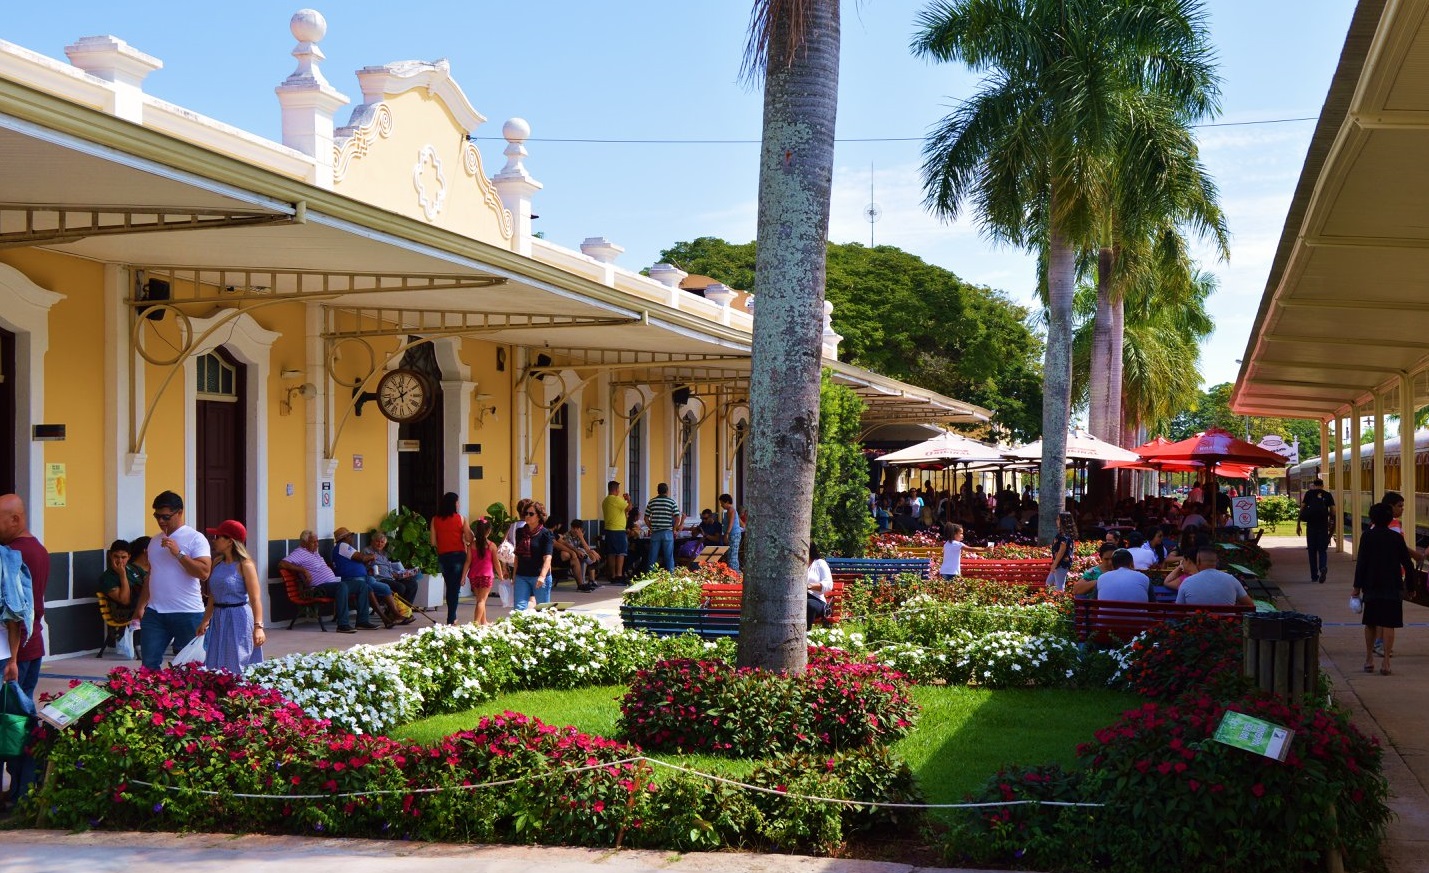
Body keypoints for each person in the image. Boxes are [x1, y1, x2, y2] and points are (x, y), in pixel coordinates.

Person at [133, 491, 211, 669]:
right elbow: (151, 575)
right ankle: (153, 697)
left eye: (166, 517)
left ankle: (186, 697)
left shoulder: (196, 538)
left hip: (188, 612)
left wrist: (178, 553)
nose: (161, 521)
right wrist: (140, 606)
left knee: (191, 666)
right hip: (155, 613)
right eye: (157, 516)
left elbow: (204, 573)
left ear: (180, 513)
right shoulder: (154, 541)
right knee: (149, 664)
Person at [0, 493, 43, 806]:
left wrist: (12, 659)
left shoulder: (12, 554)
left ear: (15, 519)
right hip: (31, 648)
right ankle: (21, 790)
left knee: (12, 725)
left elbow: (15, 611)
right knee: (17, 722)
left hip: (15, 654)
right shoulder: (35, 547)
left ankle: (21, 791)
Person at [196, 519, 265, 674]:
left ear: (230, 542)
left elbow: (255, 599)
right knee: (215, 659)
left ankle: (238, 693)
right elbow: (213, 595)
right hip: (219, 617)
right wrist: (206, 620)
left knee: (237, 660)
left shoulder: (245, 565)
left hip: (238, 616)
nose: (214, 540)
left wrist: (258, 627)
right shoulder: (217, 562)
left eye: (218, 537)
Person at [1354, 502, 1414, 676]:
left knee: (1371, 623)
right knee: (1389, 624)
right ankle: (1386, 662)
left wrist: (1356, 588)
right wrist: (1410, 587)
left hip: (1371, 586)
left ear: (1372, 518)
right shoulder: (1396, 538)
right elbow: (1408, 564)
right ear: (1389, 519)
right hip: (1392, 586)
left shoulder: (1367, 537)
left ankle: (1368, 659)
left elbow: (1361, 564)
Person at [280, 530, 372, 633]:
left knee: (362, 585)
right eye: (313, 542)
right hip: (319, 588)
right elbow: (282, 564)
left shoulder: (314, 553)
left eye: (317, 542)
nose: (317, 544)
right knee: (342, 587)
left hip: (333, 584)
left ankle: (362, 622)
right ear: (304, 543)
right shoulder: (299, 553)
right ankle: (342, 624)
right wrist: (303, 570)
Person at [332, 527, 401, 628]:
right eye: (350, 536)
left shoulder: (344, 547)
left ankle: (396, 615)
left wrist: (367, 570)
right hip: (352, 579)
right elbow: (362, 557)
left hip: (363, 577)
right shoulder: (343, 546)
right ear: (345, 537)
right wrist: (372, 556)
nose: (352, 538)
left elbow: (357, 561)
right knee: (368, 589)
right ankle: (383, 619)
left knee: (385, 587)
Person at [430, 492, 474, 624]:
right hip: (458, 555)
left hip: (443, 556)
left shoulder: (435, 519)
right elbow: (469, 537)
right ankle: (451, 618)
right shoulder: (461, 518)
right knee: (454, 589)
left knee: (450, 586)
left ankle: (452, 617)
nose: (459, 504)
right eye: (457, 502)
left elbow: (433, 542)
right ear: (454, 503)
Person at [1175, 548, 1254, 607]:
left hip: (1196, 627)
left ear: (1198, 561)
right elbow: (1250, 605)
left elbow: (1178, 610)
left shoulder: (1187, 582)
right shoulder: (1232, 580)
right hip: (1226, 627)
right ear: (1217, 562)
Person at [512, 502, 554, 610]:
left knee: (543, 609)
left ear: (539, 516)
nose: (527, 516)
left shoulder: (546, 534)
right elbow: (517, 555)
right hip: (522, 575)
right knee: (518, 609)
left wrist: (542, 576)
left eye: (531, 514)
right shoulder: (520, 532)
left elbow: (548, 557)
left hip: (539, 576)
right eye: (526, 513)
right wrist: (514, 575)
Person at [364, 530, 420, 607]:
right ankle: (393, 611)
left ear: (385, 544)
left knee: (412, 584)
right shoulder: (367, 551)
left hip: (391, 578)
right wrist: (369, 569)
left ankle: (405, 610)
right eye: (377, 541)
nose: (380, 544)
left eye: (382, 542)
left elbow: (389, 568)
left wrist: (400, 575)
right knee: (400, 587)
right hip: (379, 579)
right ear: (372, 542)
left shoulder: (384, 553)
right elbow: (365, 565)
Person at [1297, 477, 1335, 584]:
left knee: (1312, 552)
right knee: (1322, 550)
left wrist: (1298, 524)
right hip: (1323, 527)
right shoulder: (1327, 495)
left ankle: (1314, 576)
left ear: (1314, 485)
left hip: (1311, 527)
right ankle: (1322, 567)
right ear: (1322, 485)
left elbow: (1302, 508)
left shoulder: (1309, 494)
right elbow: (1333, 511)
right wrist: (1332, 524)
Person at [1073, 549, 1151, 601]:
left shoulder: (1102, 578)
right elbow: (1153, 605)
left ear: (1113, 565)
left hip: (1105, 624)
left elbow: (1094, 604)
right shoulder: (1144, 578)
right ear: (1131, 564)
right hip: (1137, 625)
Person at [97, 538, 144, 624]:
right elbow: (125, 600)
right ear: (110, 555)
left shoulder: (134, 568)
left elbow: (150, 582)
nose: (120, 561)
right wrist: (122, 575)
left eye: (123, 557)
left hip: (144, 606)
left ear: (129, 557)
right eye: (116, 556)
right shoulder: (107, 578)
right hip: (128, 613)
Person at [467, 516, 498, 625]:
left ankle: (484, 622)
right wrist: (501, 575)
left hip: (473, 576)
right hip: (486, 576)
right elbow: (496, 563)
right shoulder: (491, 545)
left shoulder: (471, 545)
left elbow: (468, 562)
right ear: (488, 531)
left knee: (480, 600)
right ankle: (475, 624)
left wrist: (462, 577)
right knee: (482, 600)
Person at [646, 483, 683, 572]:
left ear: (658, 491)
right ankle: (670, 576)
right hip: (667, 532)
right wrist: (674, 529)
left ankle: (650, 576)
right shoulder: (671, 502)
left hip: (655, 533)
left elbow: (646, 517)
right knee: (669, 556)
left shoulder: (652, 502)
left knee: (652, 556)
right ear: (667, 491)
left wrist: (651, 527)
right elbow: (677, 517)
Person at [601, 481, 630, 583]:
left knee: (611, 553)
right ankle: (619, 574)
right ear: (616, 489)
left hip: (608, 529)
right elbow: (629, 508)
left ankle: (612, 575)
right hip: (618, 530)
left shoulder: (605, 501)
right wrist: (628, 500)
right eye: (618, 489)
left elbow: (622, 511)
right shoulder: (616, 499)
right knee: (621, 553)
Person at [567, 520, 602, 590]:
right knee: (585, 555)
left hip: (580, 555)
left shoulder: (579, 536)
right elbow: (572, 548)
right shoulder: (567, 536)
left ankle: (590, 581)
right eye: (574, 528)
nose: (575, 531)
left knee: (586, 554)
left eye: (577, 529)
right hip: (572, 556)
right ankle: (592, 564)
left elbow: (586, 548)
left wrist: (581, 538)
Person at [806, 541, 833, 629]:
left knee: (809, 605)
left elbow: (828, 584)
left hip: (816, 599)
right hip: (799, 597)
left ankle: (806, 632)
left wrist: (809, 586)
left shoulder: (820, 563)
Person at [1048, 512, 1077, 591]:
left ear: (1063, 521)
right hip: (1058, 564)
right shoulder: (1063, 534)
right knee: (1049, 584)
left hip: (1061, 564)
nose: (1056, 521)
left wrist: (1054, 564)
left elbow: (1062, 550)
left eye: (1058, 519)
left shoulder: (1064, 535)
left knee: (1059, 587)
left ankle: (1061, 601)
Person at [719, 492, 743, 573]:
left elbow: (731, 523)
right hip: (732, 534)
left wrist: (726, 534)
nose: (721, 505)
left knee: (732, 555)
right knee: (730, 554)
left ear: (727, 502)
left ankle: (735, 573)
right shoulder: (730, 511)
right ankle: (733, 572)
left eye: (722, 503)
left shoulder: (731, 510)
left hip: (733, 534)